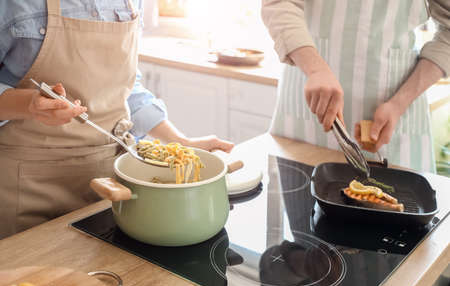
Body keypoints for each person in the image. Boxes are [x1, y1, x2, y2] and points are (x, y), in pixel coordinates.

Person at [0, 0, 233, 239]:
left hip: (112, 188)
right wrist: (29, 104)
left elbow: (126, 90)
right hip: (27, 191)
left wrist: (180, 141)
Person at [262, 0, 450, 173]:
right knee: (299, 209)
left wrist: (398, 104)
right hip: (304, 125)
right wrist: (316, 70)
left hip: (396, 127)